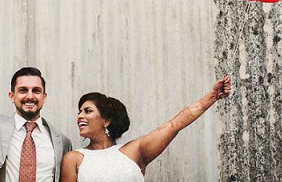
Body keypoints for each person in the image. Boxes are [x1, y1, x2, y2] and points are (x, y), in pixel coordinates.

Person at [60, 75, 231, 181]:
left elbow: (174, 124)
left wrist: (213, 96)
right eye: (79, 112)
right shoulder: (74, 159)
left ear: (106, 121)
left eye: (87, 111)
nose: (80, 116)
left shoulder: (134, 151)